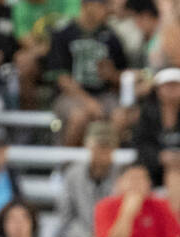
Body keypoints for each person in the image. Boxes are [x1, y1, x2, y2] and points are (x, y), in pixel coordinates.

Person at [44, 0, 127, 146]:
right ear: (87, 5)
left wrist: (112, 74)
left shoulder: (111, 36)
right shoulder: (63, 33)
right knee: (79, 117)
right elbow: (62, 78)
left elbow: (122, 74)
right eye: (102, 4)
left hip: (104, 94)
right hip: (71, 95)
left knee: (120, 116)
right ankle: (67, 165)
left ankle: (107, 165)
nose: (107, 9)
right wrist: (89, 102)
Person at [129, 68, 180, 217]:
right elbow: (139, 143)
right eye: (168, 85)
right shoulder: (146, 114)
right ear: (158, 89)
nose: (172, 90)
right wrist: (160, 157)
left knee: (176, 173)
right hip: (151, 167)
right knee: (135, 178)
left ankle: (172, 226)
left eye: (176, 85)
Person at [55, 120, 120, 237]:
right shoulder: (73, 174)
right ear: (88, 145)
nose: (103, 151)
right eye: (99, 145)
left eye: (107, 146)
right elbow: (66, 217)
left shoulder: (122, 176)